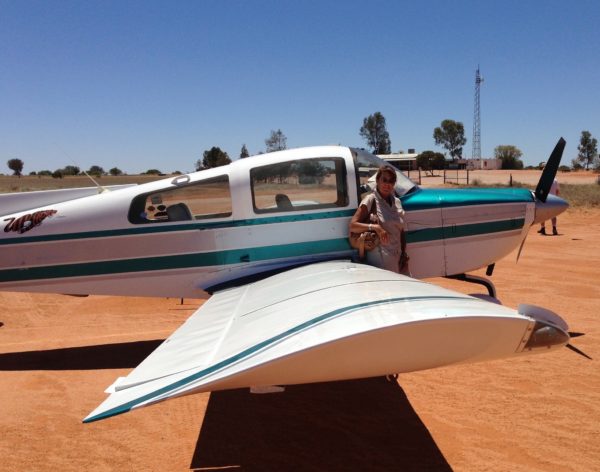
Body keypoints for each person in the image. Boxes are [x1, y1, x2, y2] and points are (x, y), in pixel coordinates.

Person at [349, 165, 409, 274]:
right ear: (377, 181)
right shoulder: (371, 200)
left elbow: (400, 231)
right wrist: (375, 227)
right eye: (384, 180)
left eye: (391, 181)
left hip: (398, 256)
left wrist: (403, 253)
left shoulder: (397, 202)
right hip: (380, 259)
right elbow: (353, 225)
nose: (387, 184)